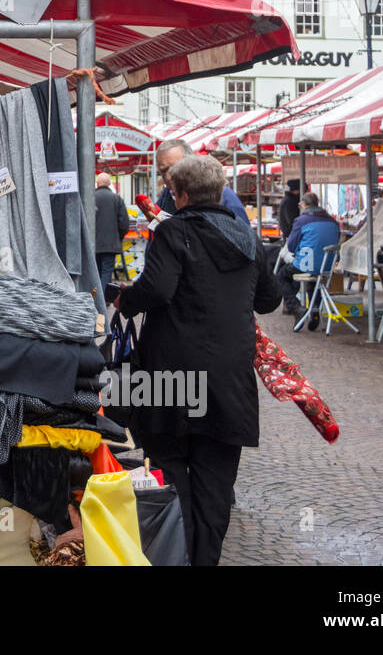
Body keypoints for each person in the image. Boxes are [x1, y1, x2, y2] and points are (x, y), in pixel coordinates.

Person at [116, 154, 280, 566]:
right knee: (216, 482)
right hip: (229, 378)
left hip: (171, 376)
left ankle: (178, 554)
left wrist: (125, 299)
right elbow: (271, 298)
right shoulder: (246, 237)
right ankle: (205, 559)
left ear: (181, 195)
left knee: (171, 468)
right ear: (221, 191)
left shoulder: (174, 232)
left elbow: (156, 290)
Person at [276, 191, 341, 325]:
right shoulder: (333, 222)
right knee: (315, 279)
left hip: (306, 264)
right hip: (327, 266)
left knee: (281, 275)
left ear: (304, 205)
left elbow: (292, 246)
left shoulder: (301, 221)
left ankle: (295, 307)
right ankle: (315, 310)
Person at [155, 139, 247, 226]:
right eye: (164, 170)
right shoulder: (167, 196)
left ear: (191, 163)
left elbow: (243, 237)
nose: (169, 175)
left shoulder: (222, 194)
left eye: (176, 167)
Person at [93, 172, 130, 293]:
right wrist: (117, 237)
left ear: (97, 183)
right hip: (110, 245)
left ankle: (96, 298)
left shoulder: (90, 198)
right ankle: (103, 299)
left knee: (96, 272)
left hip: (93, 244)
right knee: (106, 272)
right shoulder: (117, 199)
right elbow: (124, 223)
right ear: (109, 184)